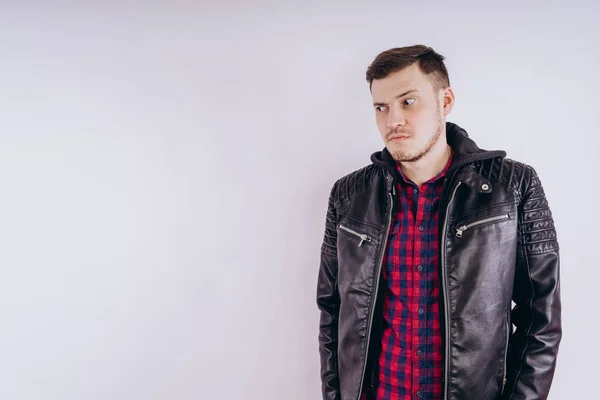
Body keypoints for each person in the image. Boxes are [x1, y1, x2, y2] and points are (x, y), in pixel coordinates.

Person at [316, 45, 561, 400]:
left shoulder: (514, 186)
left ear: (444, 101)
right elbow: (331, 311)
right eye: (380, 107)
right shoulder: (348, 195)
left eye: (408, 102)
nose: (392, 120)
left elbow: (542, 317)